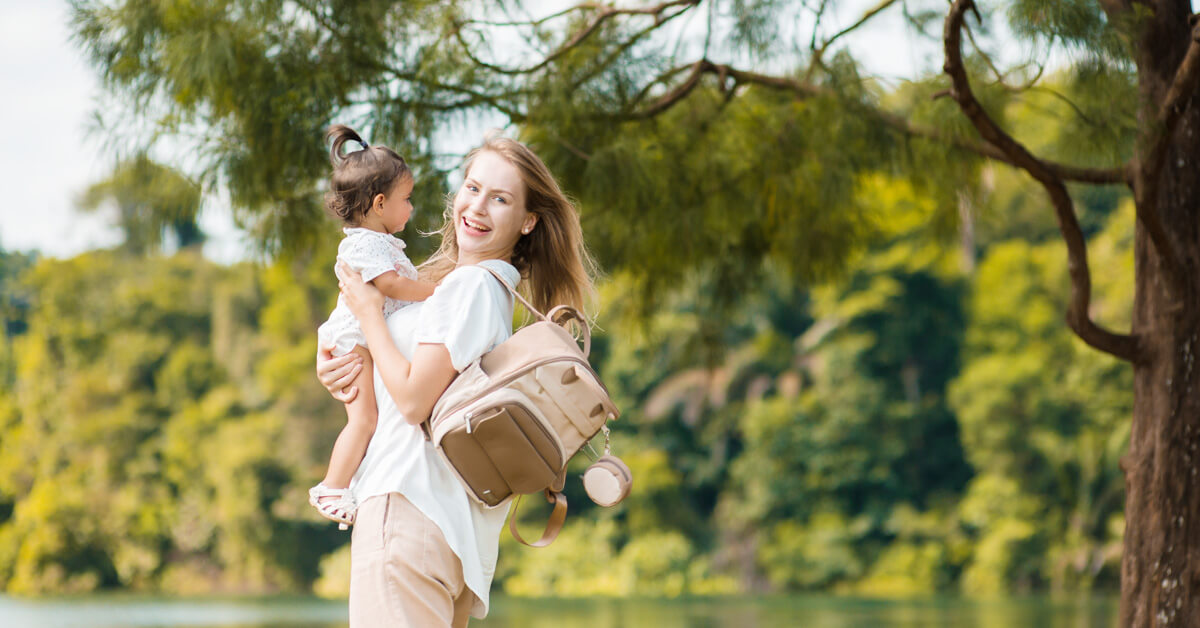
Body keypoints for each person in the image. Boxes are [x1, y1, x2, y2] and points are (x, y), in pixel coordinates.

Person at [315, 134, 596, 626]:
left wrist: (369, 314)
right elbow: (399, 376)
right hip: (448, 533)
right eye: (473, 188)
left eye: (501, 198)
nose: (477, 206)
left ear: (528, 221)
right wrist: (340, 362)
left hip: (406, 510)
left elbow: (411, 402)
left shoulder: (469, 287)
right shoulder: (472, 288)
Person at [309, 124, 438, 528]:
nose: (411, 208)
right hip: (354, 342)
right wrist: (438, 291)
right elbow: (392, 286)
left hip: (361, 340)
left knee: (371, 419)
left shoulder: (380, 243)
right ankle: (331, 486)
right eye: (407, 200)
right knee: (363, 420)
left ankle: (352, 481)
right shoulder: (363, 244)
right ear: (380, 203)